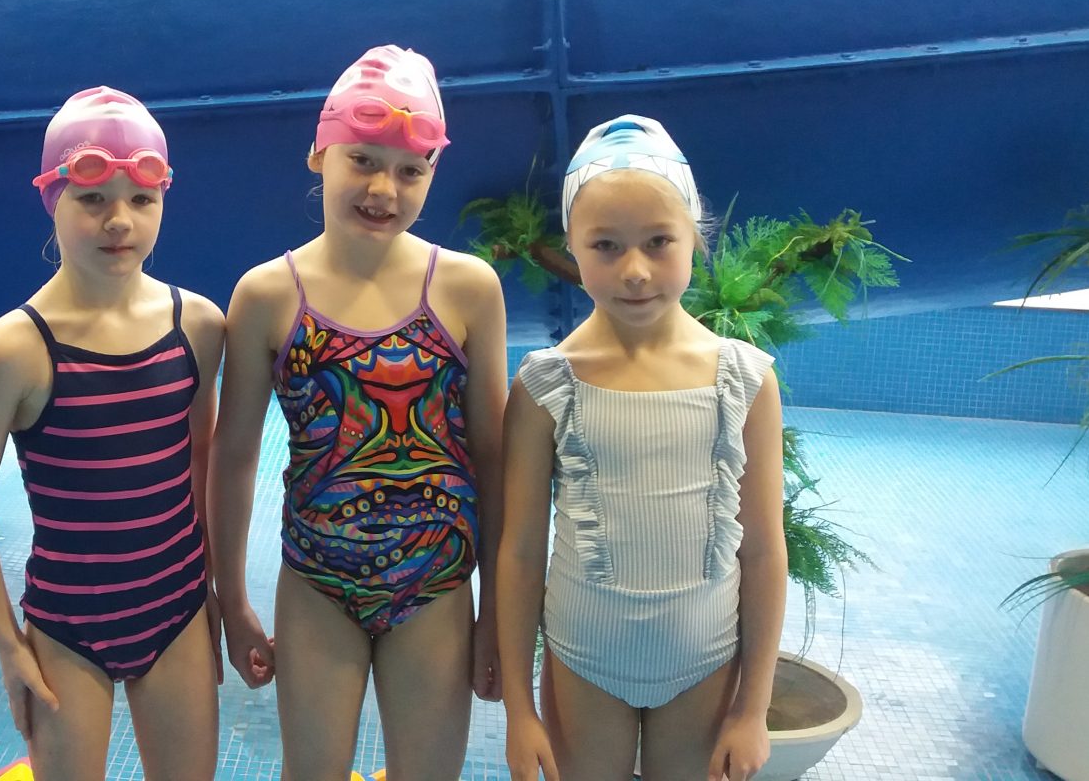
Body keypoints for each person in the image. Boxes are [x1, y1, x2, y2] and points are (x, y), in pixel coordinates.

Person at [209, 45, 508, 781]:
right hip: (317, 583)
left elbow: (496, 458)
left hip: (436, 584)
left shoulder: (467, 289)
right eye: (363, 161)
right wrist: (231, 599)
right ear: (320, 153)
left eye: (410, 171)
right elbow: (233, 457)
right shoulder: (267, 295)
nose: (384, 189)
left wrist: (499, 609)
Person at [0, 87, 224, 781]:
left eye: (142, 199)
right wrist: (7, 643)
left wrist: (214, 590)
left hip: (178, 609)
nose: (119, 221)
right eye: (93, 198)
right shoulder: (15, 348)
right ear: (52, 198)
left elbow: (203, 462)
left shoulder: (197, 326)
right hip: (67, 625)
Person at [497, 115, 787, 781]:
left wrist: (752, 710)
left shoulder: (744, 380)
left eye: (659, 242)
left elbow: (764, 550)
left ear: (695, 239)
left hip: (704, 661)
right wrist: (518, 708)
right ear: (572, 248)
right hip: (584, 660)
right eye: (606, 246)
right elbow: (519, 553)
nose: (634, 271)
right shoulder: (547, 383)